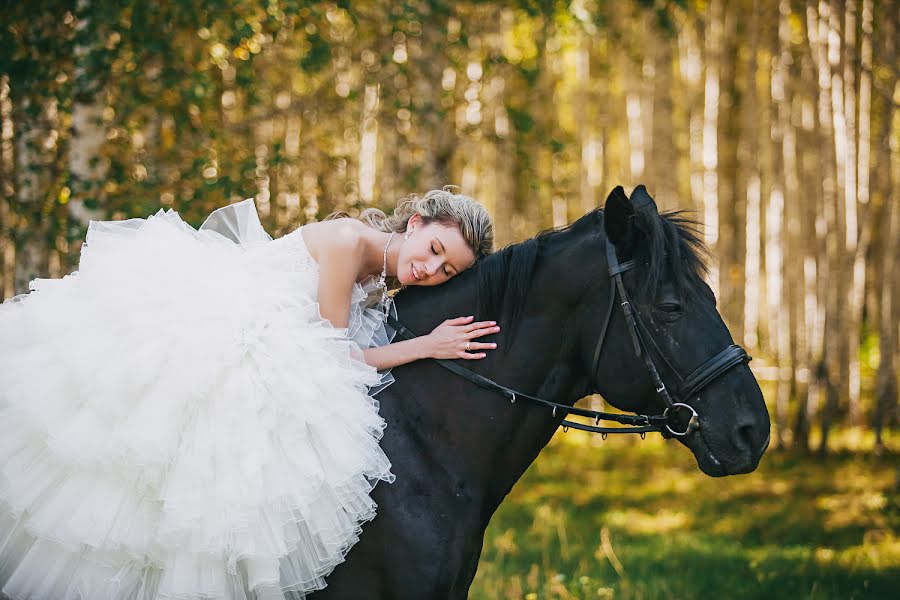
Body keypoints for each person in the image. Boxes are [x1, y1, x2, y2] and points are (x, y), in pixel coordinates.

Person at [0, 188, 496, 600]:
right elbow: (332, 357)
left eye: (447, 271)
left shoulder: (385, 275)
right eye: (434, 251)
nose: (431, 271)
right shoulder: (349, 241)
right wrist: (425, 347)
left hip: (280, 349)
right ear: (414, 225)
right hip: (224, 336)